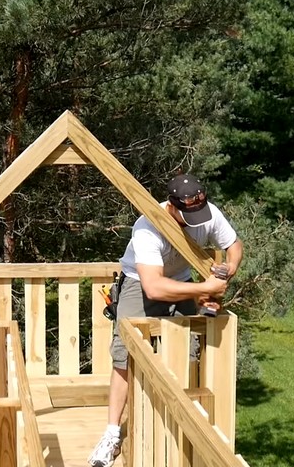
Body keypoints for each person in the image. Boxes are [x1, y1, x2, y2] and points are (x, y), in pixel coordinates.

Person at [87, 173, 243, 467]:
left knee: (189, 353)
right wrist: (204, 289)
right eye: (187, 214)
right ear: (171, 206)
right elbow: (154, 287)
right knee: (125, 358)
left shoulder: (206, 213)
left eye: (199, 212)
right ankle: (111, 434)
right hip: (140, 283)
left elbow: (234, 244)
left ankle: (181, 422)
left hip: (182, 280)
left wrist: (227, 270)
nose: (195, 220)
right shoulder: (147, 227)